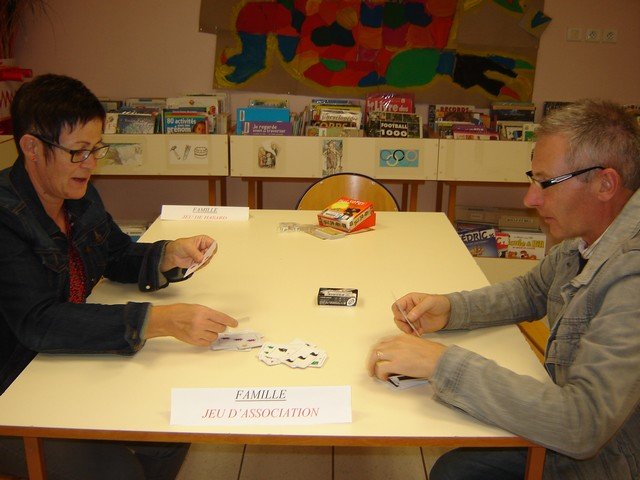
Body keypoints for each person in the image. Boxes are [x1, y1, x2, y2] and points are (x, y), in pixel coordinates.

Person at [367, 99, 640, 480]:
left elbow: (583, 426)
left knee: (455, 472)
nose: (530, 198)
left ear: (605, 184)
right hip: (588, 435)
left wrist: (440, 363)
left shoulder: (632, 277)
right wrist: (449, 308)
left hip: (614, 460)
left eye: (546, 183)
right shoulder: (588, 237)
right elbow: (531, 291)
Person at [0, 74, 238, 479]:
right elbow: (39, 322)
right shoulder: (6, 218)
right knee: (118, 472)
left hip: (65, 362)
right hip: (15, 387)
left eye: (96, 149)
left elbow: (115, 254)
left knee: (169, 437)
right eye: (78, 152)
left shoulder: (78, 193)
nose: (90, 164)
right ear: (31, 148)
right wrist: (159, 320)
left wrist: (166, 254)